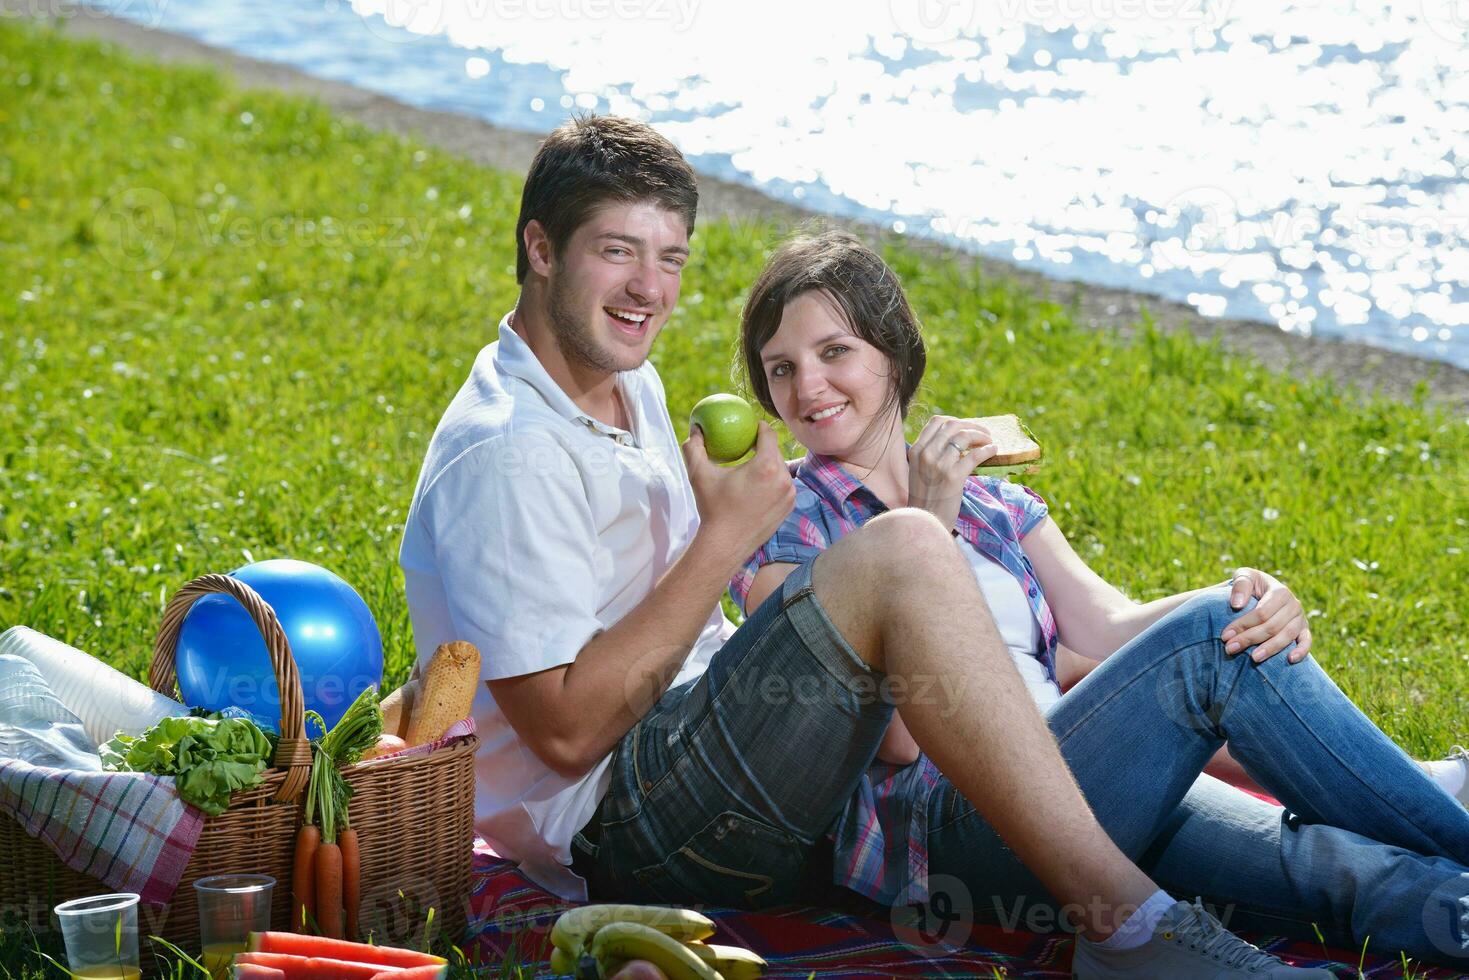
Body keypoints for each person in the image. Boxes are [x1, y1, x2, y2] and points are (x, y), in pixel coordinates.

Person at [396, 112, 1337, 978]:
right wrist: (726, 542)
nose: (650, 289)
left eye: (669, 259)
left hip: (733, 758)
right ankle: (1126, 927)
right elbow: (561, 737)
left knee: (1248, 805)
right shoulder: (507, 456)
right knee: (903, 551)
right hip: (634, 830)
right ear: (540, 250)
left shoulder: (618, 381)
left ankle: (1397, 823)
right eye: (617, 252)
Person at [727, 227, 1469, 970]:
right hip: (960, 833)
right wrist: (926, 524)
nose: (808, 388)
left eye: (834, 352)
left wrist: (1248, 593)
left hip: (1091, 781)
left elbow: (1111, 627)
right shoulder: (783, 523)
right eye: (781, 368)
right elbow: (894, 742)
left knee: (1334, 868)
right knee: (1211, 637)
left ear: (893, 352)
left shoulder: (993, 502)